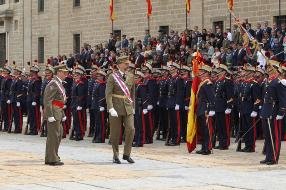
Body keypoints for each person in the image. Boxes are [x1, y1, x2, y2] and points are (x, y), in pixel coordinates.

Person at [105, 56, 135, 164]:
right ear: (120, 64)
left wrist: (133, 106)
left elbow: (132, 93)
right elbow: (108, 94)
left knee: (131, 129)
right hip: (116, 107)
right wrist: (110, 107)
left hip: (128, 107)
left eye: (128, 63)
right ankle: (115, 154)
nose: (128, 65)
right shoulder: (112, 77)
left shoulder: (131, 76)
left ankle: (127, 154)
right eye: (126, 64)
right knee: (115, 133)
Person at [44, 64, 69, 166]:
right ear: (58, 72)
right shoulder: (53, 83)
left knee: (58, 135)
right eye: (64, 72)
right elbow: (48, 100)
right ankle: (52, 158)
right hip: (53, 113)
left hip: (58, 111)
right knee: (54, 136)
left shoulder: (59, 83)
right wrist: (49, 115)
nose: (66, 74)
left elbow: (59, 101)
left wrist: (62, 113)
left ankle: (53, 156)